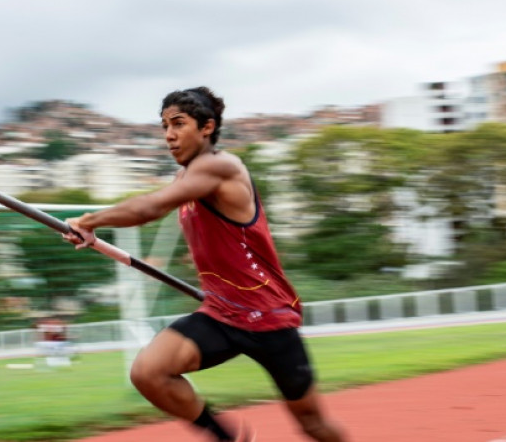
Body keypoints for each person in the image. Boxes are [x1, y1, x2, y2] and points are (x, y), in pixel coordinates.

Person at [63, 87, 347, 442]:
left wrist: (90, 220)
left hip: (269, 316)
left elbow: (149, 208)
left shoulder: (220, 167)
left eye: (178, 124)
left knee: (313, 425)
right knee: (149, 372)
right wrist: (93, 231)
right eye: (164, 125)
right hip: (221, 314)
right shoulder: (186, 179)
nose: (169, 134)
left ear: (207, 127)